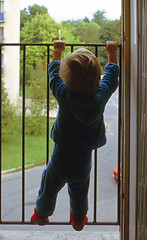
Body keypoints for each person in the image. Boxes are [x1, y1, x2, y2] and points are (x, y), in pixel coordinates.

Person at [30, 40, 120, 231]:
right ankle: (79, 219)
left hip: (61, 154)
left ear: (68, 80)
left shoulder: (64, 94)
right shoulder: (99, 97)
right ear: (97, 79)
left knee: (49, 184)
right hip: (83, 156)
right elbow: (112, 78)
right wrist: (112, 54)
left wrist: (57, 51)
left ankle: (41, 213)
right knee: (80, 189)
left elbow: (53, 76)